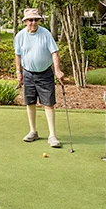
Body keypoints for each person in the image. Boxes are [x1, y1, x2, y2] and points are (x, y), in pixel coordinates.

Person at [14, 8, 65, 148]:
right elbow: (18, 55)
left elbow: (54, 53)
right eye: (30, 20)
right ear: (25, 22)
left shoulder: (45, 34)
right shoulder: (20, 36)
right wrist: (19, 72)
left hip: (45, 73)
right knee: (30, 102)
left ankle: (52, 135)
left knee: (48, 104)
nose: (33, 22)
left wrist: (58, 70)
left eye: (36, 19)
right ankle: (33, 131)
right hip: (28, 73)